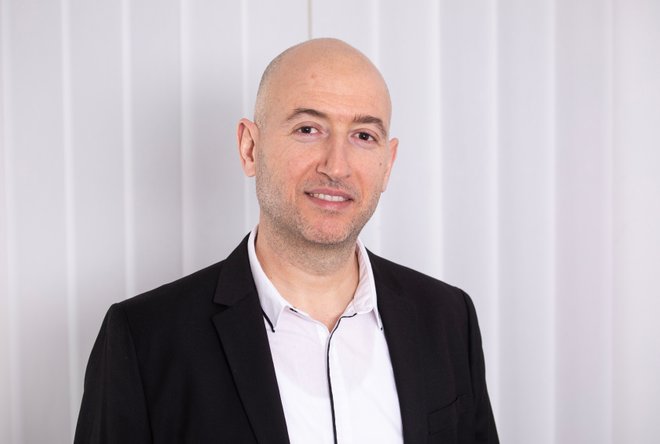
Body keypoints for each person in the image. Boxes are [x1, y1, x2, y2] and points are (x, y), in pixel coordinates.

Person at [74, 38, 498, 444]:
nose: (337, 166)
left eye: (363, 136)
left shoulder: (448, 318)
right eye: (308, 129)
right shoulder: (144, 339)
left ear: (388, 164)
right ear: (250, 148)